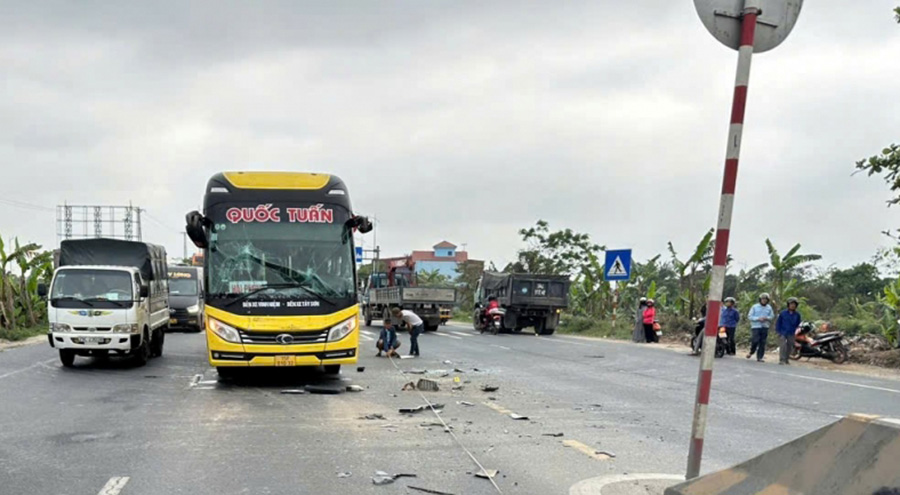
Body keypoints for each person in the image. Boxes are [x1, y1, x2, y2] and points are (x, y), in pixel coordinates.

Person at [747, 293, 774, 362]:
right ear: (760, 300)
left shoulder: (769, 308)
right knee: (755, 340)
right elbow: (750, 316)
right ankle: (752, 351)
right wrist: (758, 318)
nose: (764, 301)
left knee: (762, 342)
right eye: (763, 299)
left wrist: (766, 318)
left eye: (765, 299)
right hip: (756, 326)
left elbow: (772, 316)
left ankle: (760, 357)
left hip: (765, 326)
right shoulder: (754, 307)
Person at [776, 297, 802, 365]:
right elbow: (778, 323)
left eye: (794, 304)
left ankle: (786, 359)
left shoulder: (797, 315)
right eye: (791, 304)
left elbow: (798, 323)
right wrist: (778, 331)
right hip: (783, 332)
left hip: (791, 332)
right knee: (783, 345)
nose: (792, 305)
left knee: (790, 346)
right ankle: (782, 360)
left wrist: (796, 330)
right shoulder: (783, 313)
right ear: (788, 304)